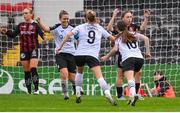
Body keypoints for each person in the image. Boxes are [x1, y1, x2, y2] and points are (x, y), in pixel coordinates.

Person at [58, 10, 117, 106]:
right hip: (92, 55)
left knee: (79, 72)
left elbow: (68, 35)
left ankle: (77, 93)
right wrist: (114, 41)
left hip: (79, 54)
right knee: (99, 77)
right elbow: (112, 39)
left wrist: (60, 47)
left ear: (85, 18)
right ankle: (107, 94)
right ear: (95, 17)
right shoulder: (99, 28)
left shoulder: (80, 27)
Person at [102, 20, 151, 106]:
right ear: (126, 27)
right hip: (140, 59)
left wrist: (106, 57)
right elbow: (146, 38)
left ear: (117, 28)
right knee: (132, 77)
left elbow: (115, 49)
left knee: (130, 79)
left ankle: (133, 95)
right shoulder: (133, 33)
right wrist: (147, 53)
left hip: (128, 59)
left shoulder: (118, 37)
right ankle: (132, 96)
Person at [36, 10, 82, 100]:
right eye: (64, 19)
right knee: (64, 73)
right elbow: (46, 29)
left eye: (67, 19)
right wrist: (39, 22)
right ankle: (65, 93)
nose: (66, 20)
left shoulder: (73, 28)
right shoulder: (56, 27)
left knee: (72, 77)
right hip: (60, 54)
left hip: (72, 54)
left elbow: (78, 39)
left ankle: (76, 89)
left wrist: (79, 50)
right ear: (60, 19)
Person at [0, 8, 45, 94]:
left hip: (34, 49)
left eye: (26, 13)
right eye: (23, 13)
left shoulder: (35, 25)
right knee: (26, 71)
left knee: (33, 68)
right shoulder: (21, 25)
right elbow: (13, 35)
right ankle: (29, 91)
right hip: (24, 50)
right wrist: (6, 32)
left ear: (31, 14)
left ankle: (36, 89)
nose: (24, 15)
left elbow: (42, 34)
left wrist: (45, 38)